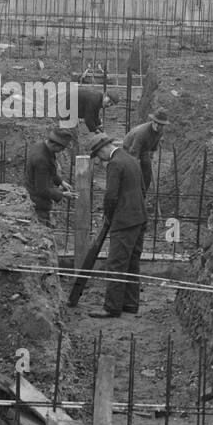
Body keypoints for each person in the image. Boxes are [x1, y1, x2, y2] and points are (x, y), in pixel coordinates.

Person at [89, 133, 146, 318]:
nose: (100, 159)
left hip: (124, 220)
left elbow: (111, 196)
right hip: (139, 217)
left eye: (98, 155)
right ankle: (130, 304)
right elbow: (143, 188)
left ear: (103, 148)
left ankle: (112, 307)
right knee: (132, 262)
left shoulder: (114, 164)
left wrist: (109, 215)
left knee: (116, 263)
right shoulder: (130, 159)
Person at [23, 127, 74, 225]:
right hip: (37, 204)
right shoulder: (41, 159)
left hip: (35, 196)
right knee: (41, 229)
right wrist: (62, 194)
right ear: (55, 145)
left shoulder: (41, 147)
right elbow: (42, 190)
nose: (62, 151)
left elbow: (49, 170)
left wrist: (60, 182)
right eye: (62, 148)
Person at [122, 108, 170, 192]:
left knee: (147, 171)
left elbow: (154, 146)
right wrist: (135, 167)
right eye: (155, 122)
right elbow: (134, 152)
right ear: (152, 121)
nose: (157, 126)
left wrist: (150, 156)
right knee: (132, 171)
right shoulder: (142, 133)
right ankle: (129, 189)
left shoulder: (160, 132)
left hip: (144, 149)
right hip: (130, 146)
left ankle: (143, 192)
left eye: (160, 124)